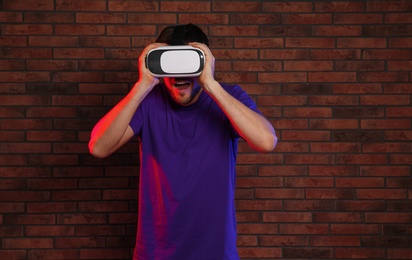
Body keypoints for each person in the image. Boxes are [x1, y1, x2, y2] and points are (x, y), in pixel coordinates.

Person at [89, 23, 277, 260]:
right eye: (171, 63)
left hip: (216, 252)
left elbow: (266, 141)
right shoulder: (147, 102)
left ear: (204, 62)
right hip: (156, 253)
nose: (179, 74)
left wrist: (211, 84)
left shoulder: (229, 98)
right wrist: (143, 85)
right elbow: (98, 147)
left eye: (187, 63)